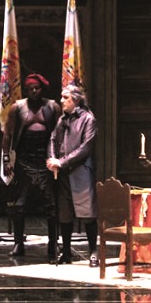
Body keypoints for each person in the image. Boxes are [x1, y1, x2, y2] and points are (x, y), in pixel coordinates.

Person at [1, 72, 61, 259]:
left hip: (46, 160)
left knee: (51, 205)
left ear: (42, 89)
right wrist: (6, 159)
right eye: (31, 89)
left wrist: (59, 159)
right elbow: (8, 134)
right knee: (19, 204)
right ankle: (18, 243)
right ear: (26, 90)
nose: (34, 91)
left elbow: (60, 134)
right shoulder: (17, 108)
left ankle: (53, 243)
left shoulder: (52, 107)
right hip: (24, 160)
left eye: (37, 88)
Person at [46, 84, 97, 266]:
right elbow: (52, 139)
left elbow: (85, 148)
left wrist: (62, 162)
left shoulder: (88, 119)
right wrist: (52, 158)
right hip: (63, 174)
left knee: (87, 213)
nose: (61, 100)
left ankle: (93, 251)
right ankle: (66, 252)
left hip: (80, 172)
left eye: (65, 97)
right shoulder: (62, 119)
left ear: (75, 100)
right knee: (65, 213)